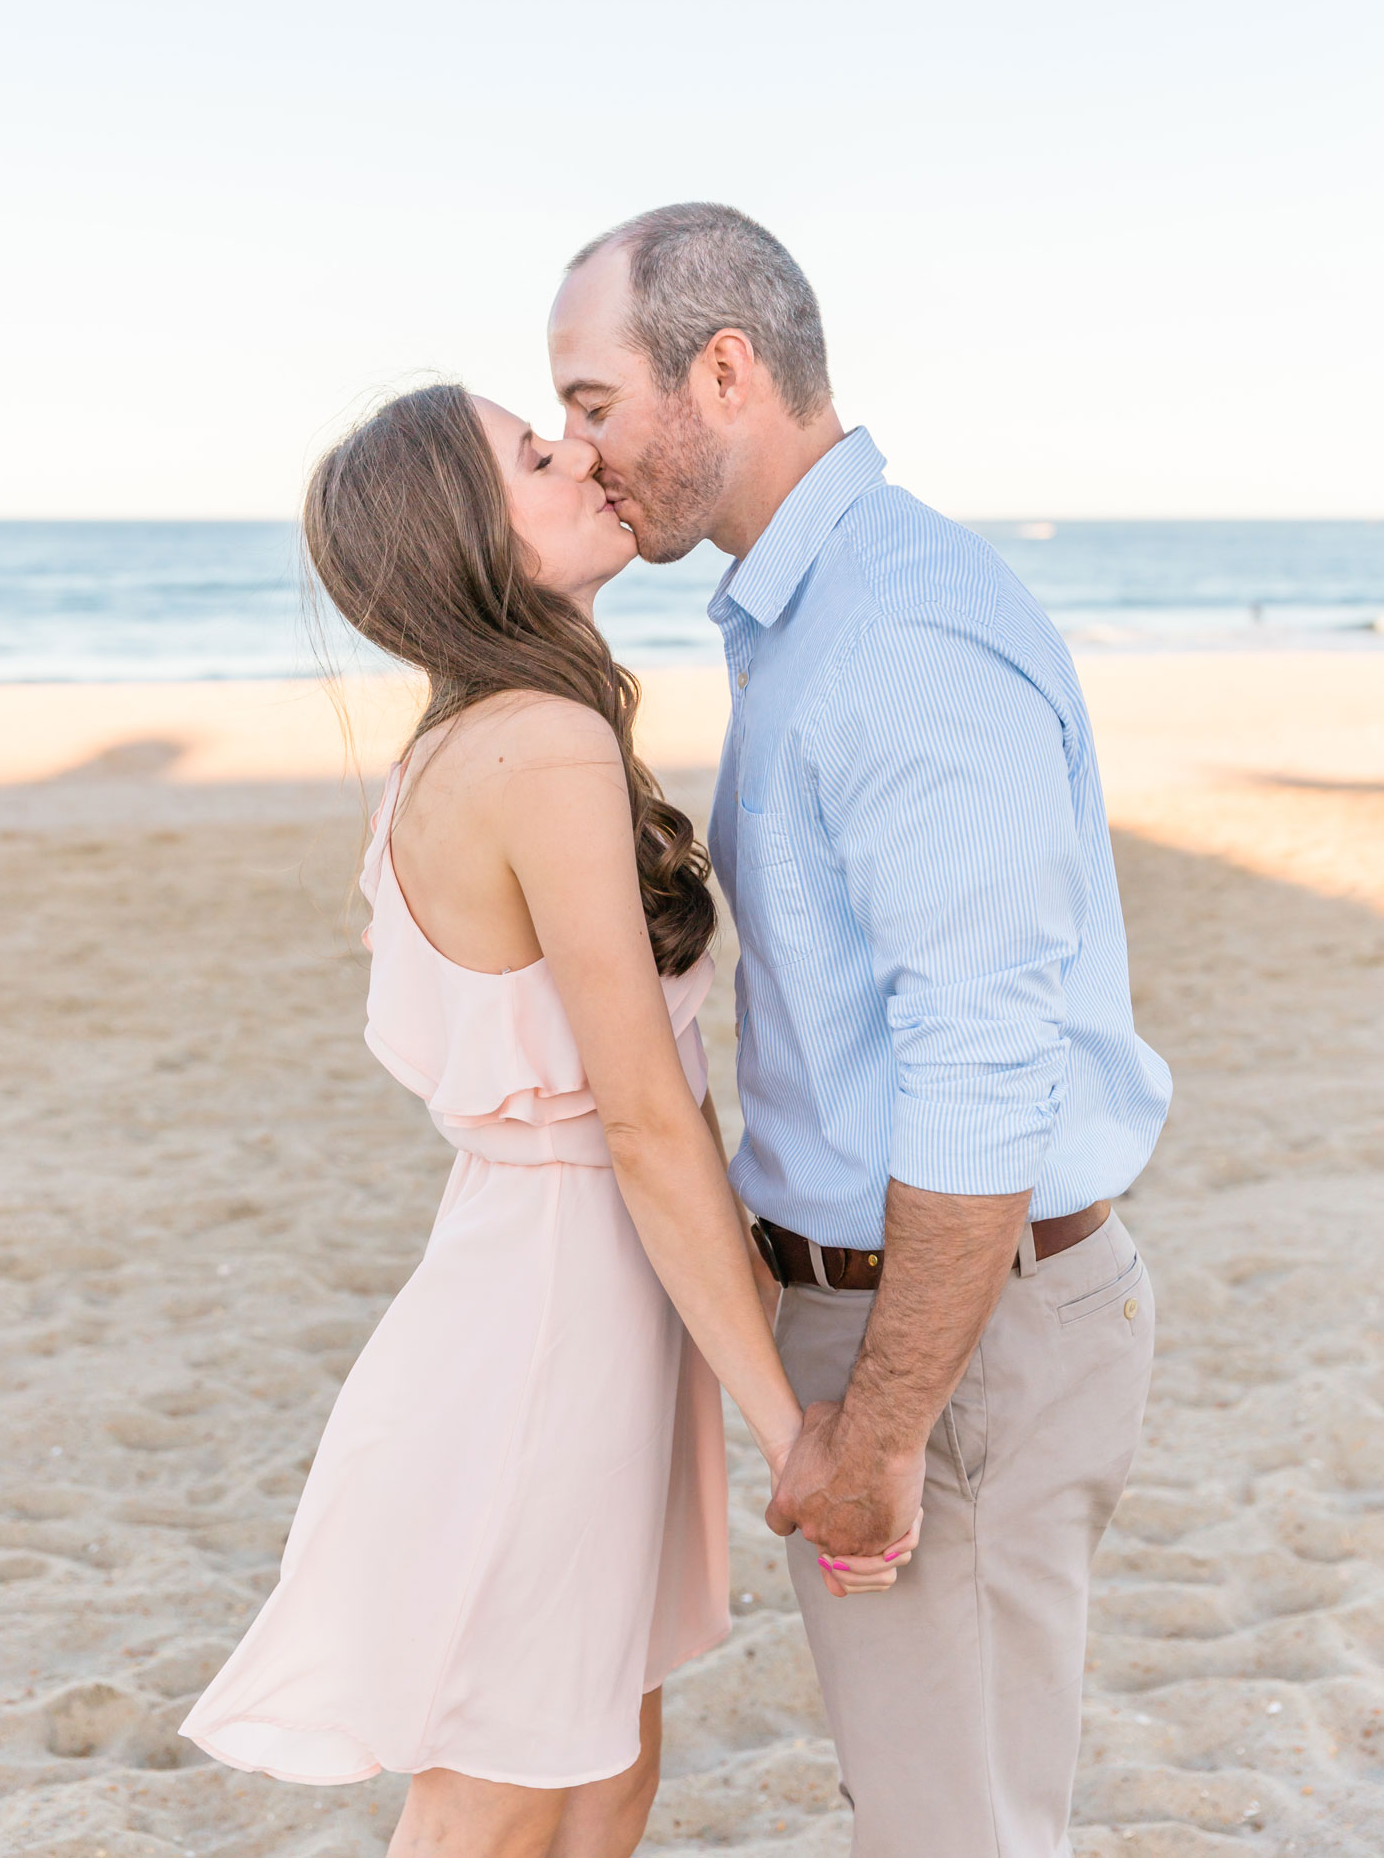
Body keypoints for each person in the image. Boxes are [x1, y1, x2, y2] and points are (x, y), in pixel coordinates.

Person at [179, 382, 916, 1858]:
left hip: (571, 1287)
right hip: (548, 1320)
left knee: (601, 1769)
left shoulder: (485, 736)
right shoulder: (536, 746)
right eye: (532, 453)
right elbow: (645, 1119)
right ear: (470, 535)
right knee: (504, 1786)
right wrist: (795, 1435)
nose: (578, 452)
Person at [549, 203, 1173, 1858]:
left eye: (595, 402)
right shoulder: (811, 613)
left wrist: (881, 1424)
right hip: (937, 1312)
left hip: (957, 1334)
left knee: (952, 1830)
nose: (577, 449)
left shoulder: (888, 632)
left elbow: (980, 1060)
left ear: (726, 370)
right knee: (948, 1809)